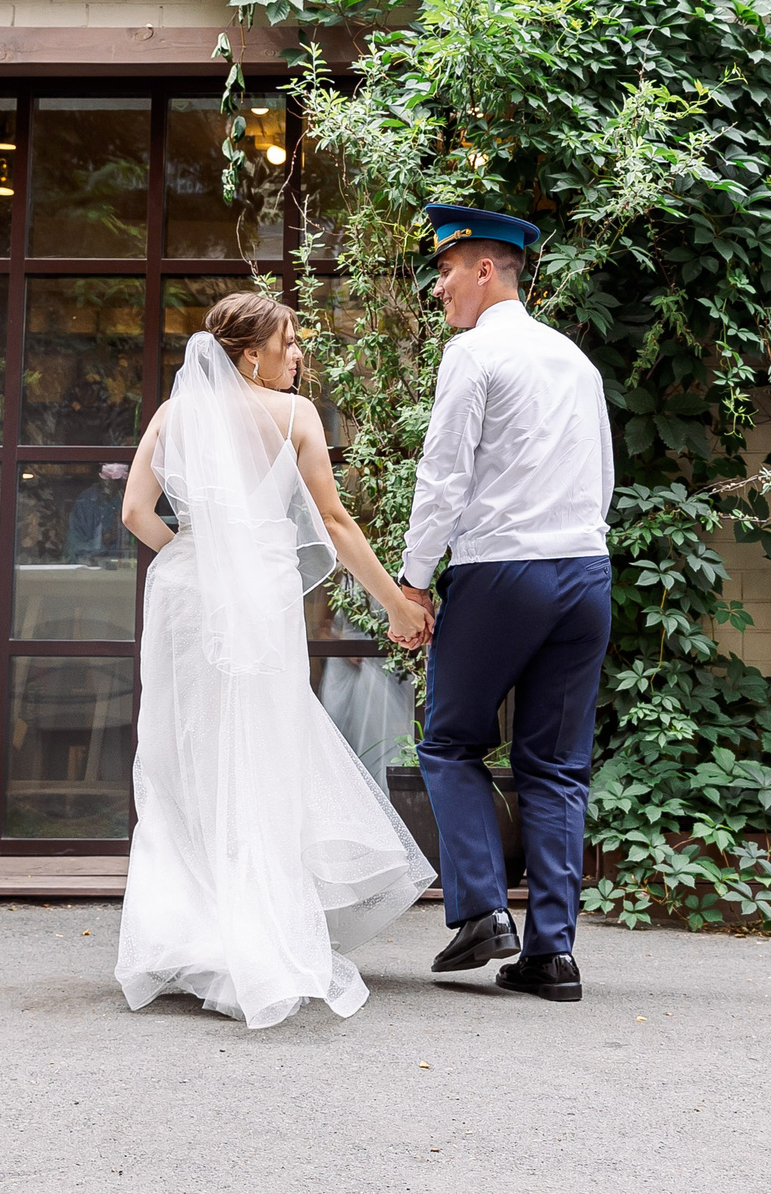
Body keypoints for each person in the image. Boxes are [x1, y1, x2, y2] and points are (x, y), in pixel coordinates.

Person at [112, 292, 436, 1030]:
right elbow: (333, 520)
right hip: (258, 598)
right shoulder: (296, 418)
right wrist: (393, 602)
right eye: (288, 344)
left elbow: (135, 513)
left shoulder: (173, 416)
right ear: (248, 353)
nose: (298, 356)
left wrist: (200, 558)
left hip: (186, 602)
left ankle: (186, 933)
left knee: (185, 754)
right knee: (258, 751)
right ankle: (254, 929)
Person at [391, 205, 615, 1003]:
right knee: (557, 766)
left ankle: (485, 909)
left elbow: (444, 476)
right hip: (586, 572)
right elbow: (604, 481)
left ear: (486, 269)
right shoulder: (574, 361)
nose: (439, 287)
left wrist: (413, 582)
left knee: (449, 742)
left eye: (447, 271)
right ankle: (552, 953)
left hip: (502, 573)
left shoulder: (473, 353)